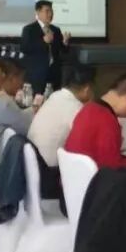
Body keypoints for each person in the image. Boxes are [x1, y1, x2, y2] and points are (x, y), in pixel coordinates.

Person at [28, 64, 96, 205]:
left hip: (32, 172)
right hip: (50, 177)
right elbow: (88, 142)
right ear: (87, 89)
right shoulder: (76, 108)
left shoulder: (55, 97)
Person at [64, 72, 126, 170]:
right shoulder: (107, 120)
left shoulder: (88, 108)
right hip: (94, 177)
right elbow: (114, 169)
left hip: (74, 174)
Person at [20, 0, 70, 94]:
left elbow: (62, 51)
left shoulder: (55, 30)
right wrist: (43, 42)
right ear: (38, 12)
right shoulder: (29, 29)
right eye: (47, 11)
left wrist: (65, 43)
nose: (50, 14)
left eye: (51, 11)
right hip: (37, 75)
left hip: (54, 75)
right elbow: (24, 48)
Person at [0, 58, 34, 125]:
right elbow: (24, 124)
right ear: (12, 78)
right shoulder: (6, 102)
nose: (22, 84)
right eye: (21, 79)